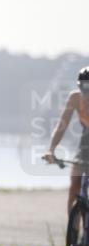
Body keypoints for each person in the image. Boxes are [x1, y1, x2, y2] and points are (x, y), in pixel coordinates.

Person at [42, 67, 89, 215]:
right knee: (75, 185)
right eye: (84, 88)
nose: (87, 93)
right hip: (86, 140)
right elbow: (61, 125)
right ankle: (74, 233)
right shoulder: (75, 98)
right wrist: (51, 149)